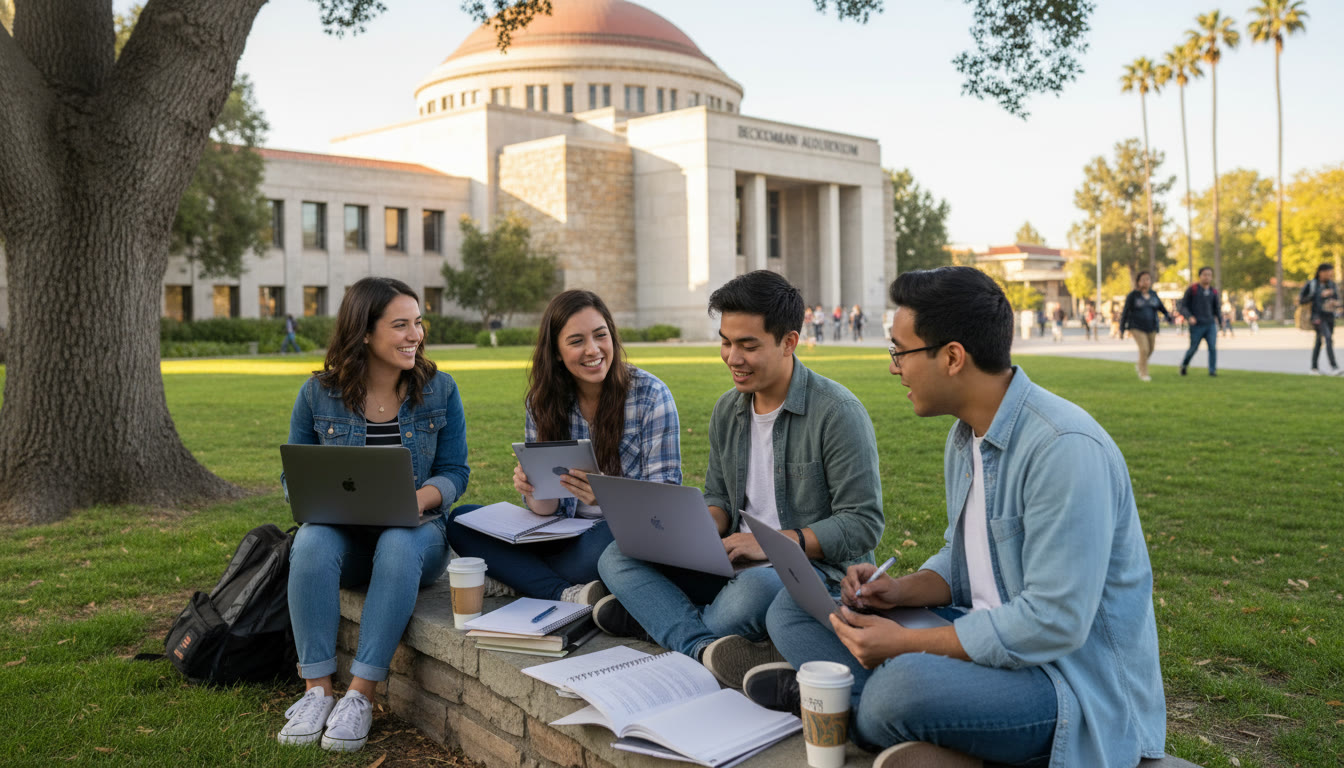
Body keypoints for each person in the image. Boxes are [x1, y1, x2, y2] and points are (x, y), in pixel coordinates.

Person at [742, 266, 1166, 768]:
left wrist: (907, 644)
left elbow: (1054, 623)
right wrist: (898, 591)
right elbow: (966, 558)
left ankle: (854, 708)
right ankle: (903, 727)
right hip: (983, 638)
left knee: (900, 686)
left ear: (952, 357)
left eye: (900, 351)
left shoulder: (1063, 449)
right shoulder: (965, 438)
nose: (893, 366)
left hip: (1066, 683)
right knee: (795, 608)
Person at [595, 270, 884, 688]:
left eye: (748, 345)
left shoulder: (837, 412)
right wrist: (694, 529)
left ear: (789, 343)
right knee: (616, 555)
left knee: (756, 593)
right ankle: (705, 648)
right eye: (726, 342)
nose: (732, 357)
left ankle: (663, 622)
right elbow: (719, 498)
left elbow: (862, 524)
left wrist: (771, 541)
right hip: (728, 558)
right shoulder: (727, 410)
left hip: (805, 571)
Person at [279, 277, 470, 752]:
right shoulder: (317, 393)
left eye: (418, 323)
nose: (415, 335)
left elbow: (455, 472)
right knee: (312, 540)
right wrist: (315, 500)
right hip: (347, 539)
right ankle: (318, 691)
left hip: (416, 535)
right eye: (400, 325)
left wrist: (418, 499)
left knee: (398, 541)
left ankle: (360, 696)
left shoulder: (440, 390)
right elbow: (295, 474)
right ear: (364, 332)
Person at [447, 290, 682, 601]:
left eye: (601, 336)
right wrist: (533, 490)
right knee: (461, 520)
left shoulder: (652, 396)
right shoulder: (542, 401)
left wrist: (606, 497)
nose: (593, 349)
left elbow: (664, 504)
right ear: (556, 352)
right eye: (576, 341)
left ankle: (523, 577)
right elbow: (546, 509)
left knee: (608, 544)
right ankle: (562, 591)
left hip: (618, 535)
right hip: (560, 533)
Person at [1119, 271, 1174, 382]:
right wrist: (1122, 328)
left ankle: (1140, 365)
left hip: (1151, 326)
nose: (1146, 281)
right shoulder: (1133, 296)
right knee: (1144, 349)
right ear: (1138, 282)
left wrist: (1168, 316)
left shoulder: (1153, 294)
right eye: (1143, 279)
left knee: (1151, 349)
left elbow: (1161, 308)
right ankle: (1143, 374)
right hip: (1136, 326)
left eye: (1148, 279)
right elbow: (1125, 312)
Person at [1179, 267, 1222, 377]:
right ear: (1200, 276)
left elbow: (1216, 308)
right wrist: (1189, 317)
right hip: (1197, 325)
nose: (1207, 277)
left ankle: (1212, 371)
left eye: (1209, 275)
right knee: (1193, 348)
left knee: (1212, 347)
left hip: (1210, 324)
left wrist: (1221, 321)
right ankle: (1184, 365)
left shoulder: (1213, 291)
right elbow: (1183, 306)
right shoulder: (1192, 289)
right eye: (1204, 274)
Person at [1300, 263, 1341, 375]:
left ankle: (1314, 368)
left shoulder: (1331, 285)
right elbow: (1301, 300)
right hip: (1317, 316)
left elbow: (1337, 299)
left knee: (1319, 341)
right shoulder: (1312, 284)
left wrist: (1335, 302)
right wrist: (1319, 295)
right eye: (1328, 273)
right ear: (1321, 272)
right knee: (1328, 338)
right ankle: (1334, 367)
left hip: (1329, 316)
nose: (1330, 275)